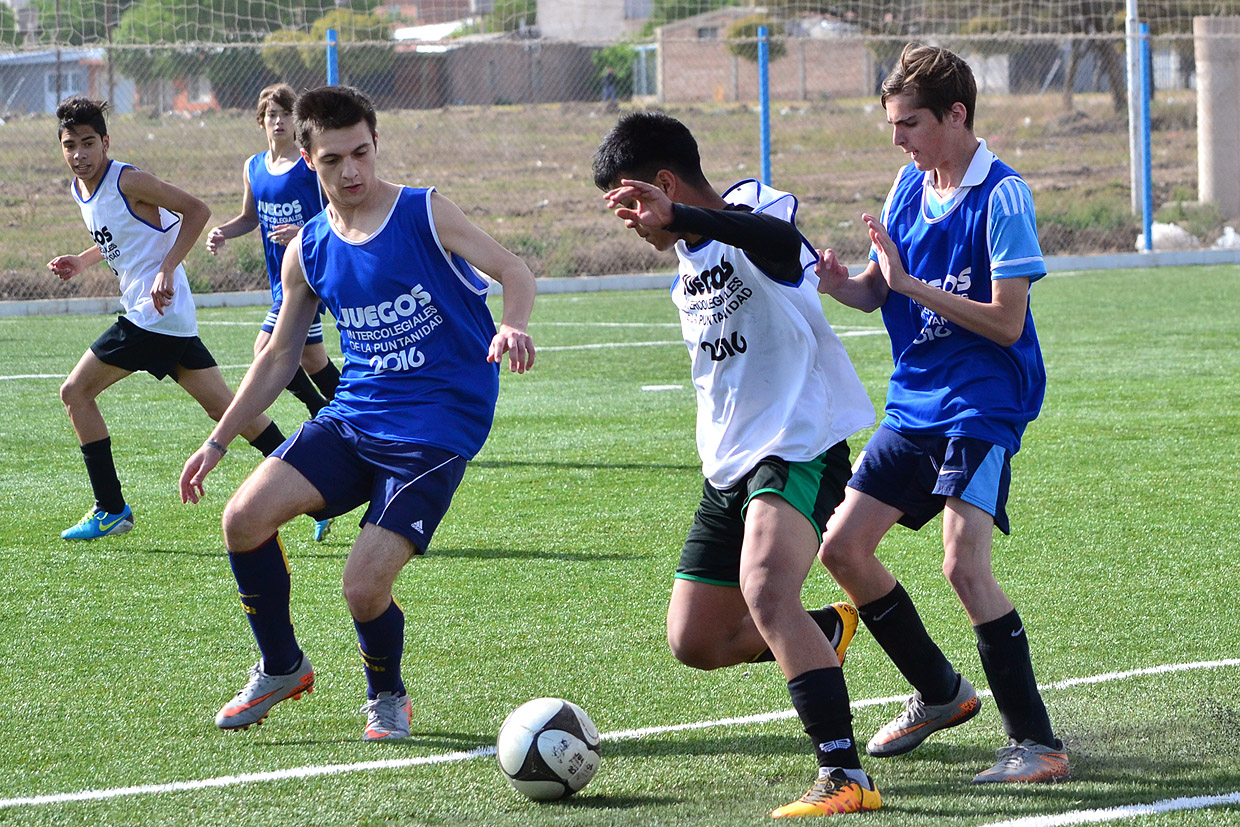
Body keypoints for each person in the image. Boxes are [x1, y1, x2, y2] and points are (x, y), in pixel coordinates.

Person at [179, 86, 536, 742]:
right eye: (334, 159)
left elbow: (514, 269)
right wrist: (219, 439)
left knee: (361, 584)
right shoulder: (308, 249)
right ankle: (282, 666)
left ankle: (387, 694)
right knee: (242, 519)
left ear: (376, 145)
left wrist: (511, 324)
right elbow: (279, 356)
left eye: (362, 153)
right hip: (355, 416)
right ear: (307, 158)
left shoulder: (425, 212)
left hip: (438, 424)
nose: (352, 171)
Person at [593, 111, 881, 818]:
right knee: (696, 639)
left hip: (798, 445)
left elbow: (784, 243)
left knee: (764, 587)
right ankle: (824, 632)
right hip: (727, 466)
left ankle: (845, 774)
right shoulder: (685, 272)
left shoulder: (756, 211)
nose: (631, 221)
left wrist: (689, 214)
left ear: (662, 184)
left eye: (632, 203)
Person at [814, 43, 1069, 784]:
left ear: (958, 115)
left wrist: (913, 284)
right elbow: (878, 290)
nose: (899, 140)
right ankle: (941, 692)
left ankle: (1037, 743)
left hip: (982, 405)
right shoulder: (906, 184)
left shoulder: (1004, 196)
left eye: (911, 124)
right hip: (915, 402)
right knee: (842, 548)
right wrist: (842, 284)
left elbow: (1007, 323)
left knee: (963, 564)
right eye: (893, 124)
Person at [49, 95, 286, 541]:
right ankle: (316, 484)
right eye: (69, 146)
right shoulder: (81, 189)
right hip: (167, 317)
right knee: (226, 408)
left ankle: (110, 507)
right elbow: (121, 238)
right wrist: (82, 261)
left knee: (74, 392)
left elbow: (196, 211)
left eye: (87, 143)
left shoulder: (129, 180)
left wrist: (167, 268)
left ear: (105, 142)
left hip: (152, 314)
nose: (79, 155)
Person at [204, 83, 339, 542]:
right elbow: (250, 216)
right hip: (278, 280)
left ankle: (326, 417)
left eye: (284, 113)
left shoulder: (307, 166)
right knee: (312, 360)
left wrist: (304, 232)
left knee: (267, 349)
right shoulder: (254, 167)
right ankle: (339, 413)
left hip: (309, 275)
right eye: (269, 115)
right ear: (260, 122)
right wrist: (224, 230)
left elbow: (335, 213)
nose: (277, 121)